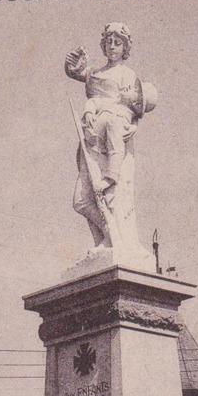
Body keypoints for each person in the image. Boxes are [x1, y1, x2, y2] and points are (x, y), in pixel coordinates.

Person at [65, 22, 156, 256]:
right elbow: (80, 74)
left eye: (118, 42)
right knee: (81, 200)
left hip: (113, 137)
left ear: (125, 47)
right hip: (91, 137)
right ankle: (108, 233)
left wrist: (133, 124)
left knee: (110, 197)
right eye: (108, 42)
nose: (112, 46)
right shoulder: (96, 72)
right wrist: (72, 69)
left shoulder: (127, 74)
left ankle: (115, 240)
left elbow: (135, 104)